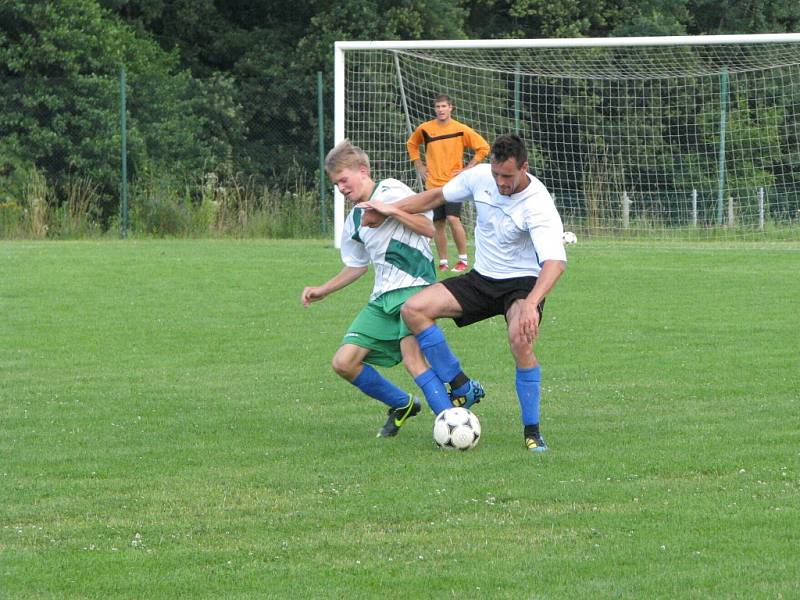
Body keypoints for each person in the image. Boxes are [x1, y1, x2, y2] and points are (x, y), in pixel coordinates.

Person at [360, 134, 566, 452]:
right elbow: (433, 198)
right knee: (414, 309)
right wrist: (385, 209)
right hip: (482, 279)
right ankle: (461, 384)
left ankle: (533, 432)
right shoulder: (480, 177)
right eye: (496, 174)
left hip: (522, 284)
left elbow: (554, 263)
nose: (500, 182)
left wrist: (531, 303)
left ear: (524, 167)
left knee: (519, 339)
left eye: (508, 176)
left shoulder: (538, 204)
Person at [301, 139, 453, 438]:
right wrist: (324, 290)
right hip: (382, 298)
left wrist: (390, 211)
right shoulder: (354, 219)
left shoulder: (392, 190)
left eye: (343, 180)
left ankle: (451, 419)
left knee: (413, 361)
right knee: (344, 363)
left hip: (414, 290)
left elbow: (427, 229)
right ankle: (403, 404)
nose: (341, 188)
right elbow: (357, 265)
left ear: (363, 171)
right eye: (336, 184)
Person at [407, 94, 490, 273]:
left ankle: (463, 259)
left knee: (453, 219)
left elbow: (483, 147)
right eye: (438, 107)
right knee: (438, 223)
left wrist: (468, 168)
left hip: (454, 184)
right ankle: (443, 261)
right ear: (434, 109)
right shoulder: (425, 129)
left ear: (451, 108)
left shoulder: (460, 129)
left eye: (444, 106)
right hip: (433, 185)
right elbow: (412, 144)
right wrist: (419, 165)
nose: (441, 110)